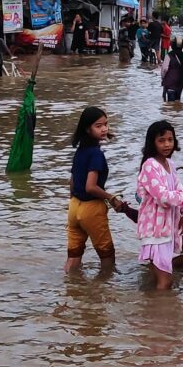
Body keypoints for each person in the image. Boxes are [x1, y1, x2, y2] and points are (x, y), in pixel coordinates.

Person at [133, 119, 183, 289]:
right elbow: (163, 197)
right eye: (161, 140)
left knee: (164, 278)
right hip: (155, 230)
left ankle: (155, 305)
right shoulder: (149, 166)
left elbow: (177, 189)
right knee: (165, 282)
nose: (167, 144)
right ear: (152, 143)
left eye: (170, 140)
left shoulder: (170, 164)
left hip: (168, 228)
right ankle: (160, 312)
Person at [66, 107, 123, 273]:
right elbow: (90, 187)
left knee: (73, 256)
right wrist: (112, 198)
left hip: (74, 206)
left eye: (106, 124)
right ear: (87, 129)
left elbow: (72, 181)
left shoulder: (80, 151)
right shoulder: (96, 154)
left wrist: (73, 202)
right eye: (98, 126)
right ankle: (102, 289)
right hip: (91, 209)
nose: (104, 129)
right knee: (107, 256)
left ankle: (70, 288)